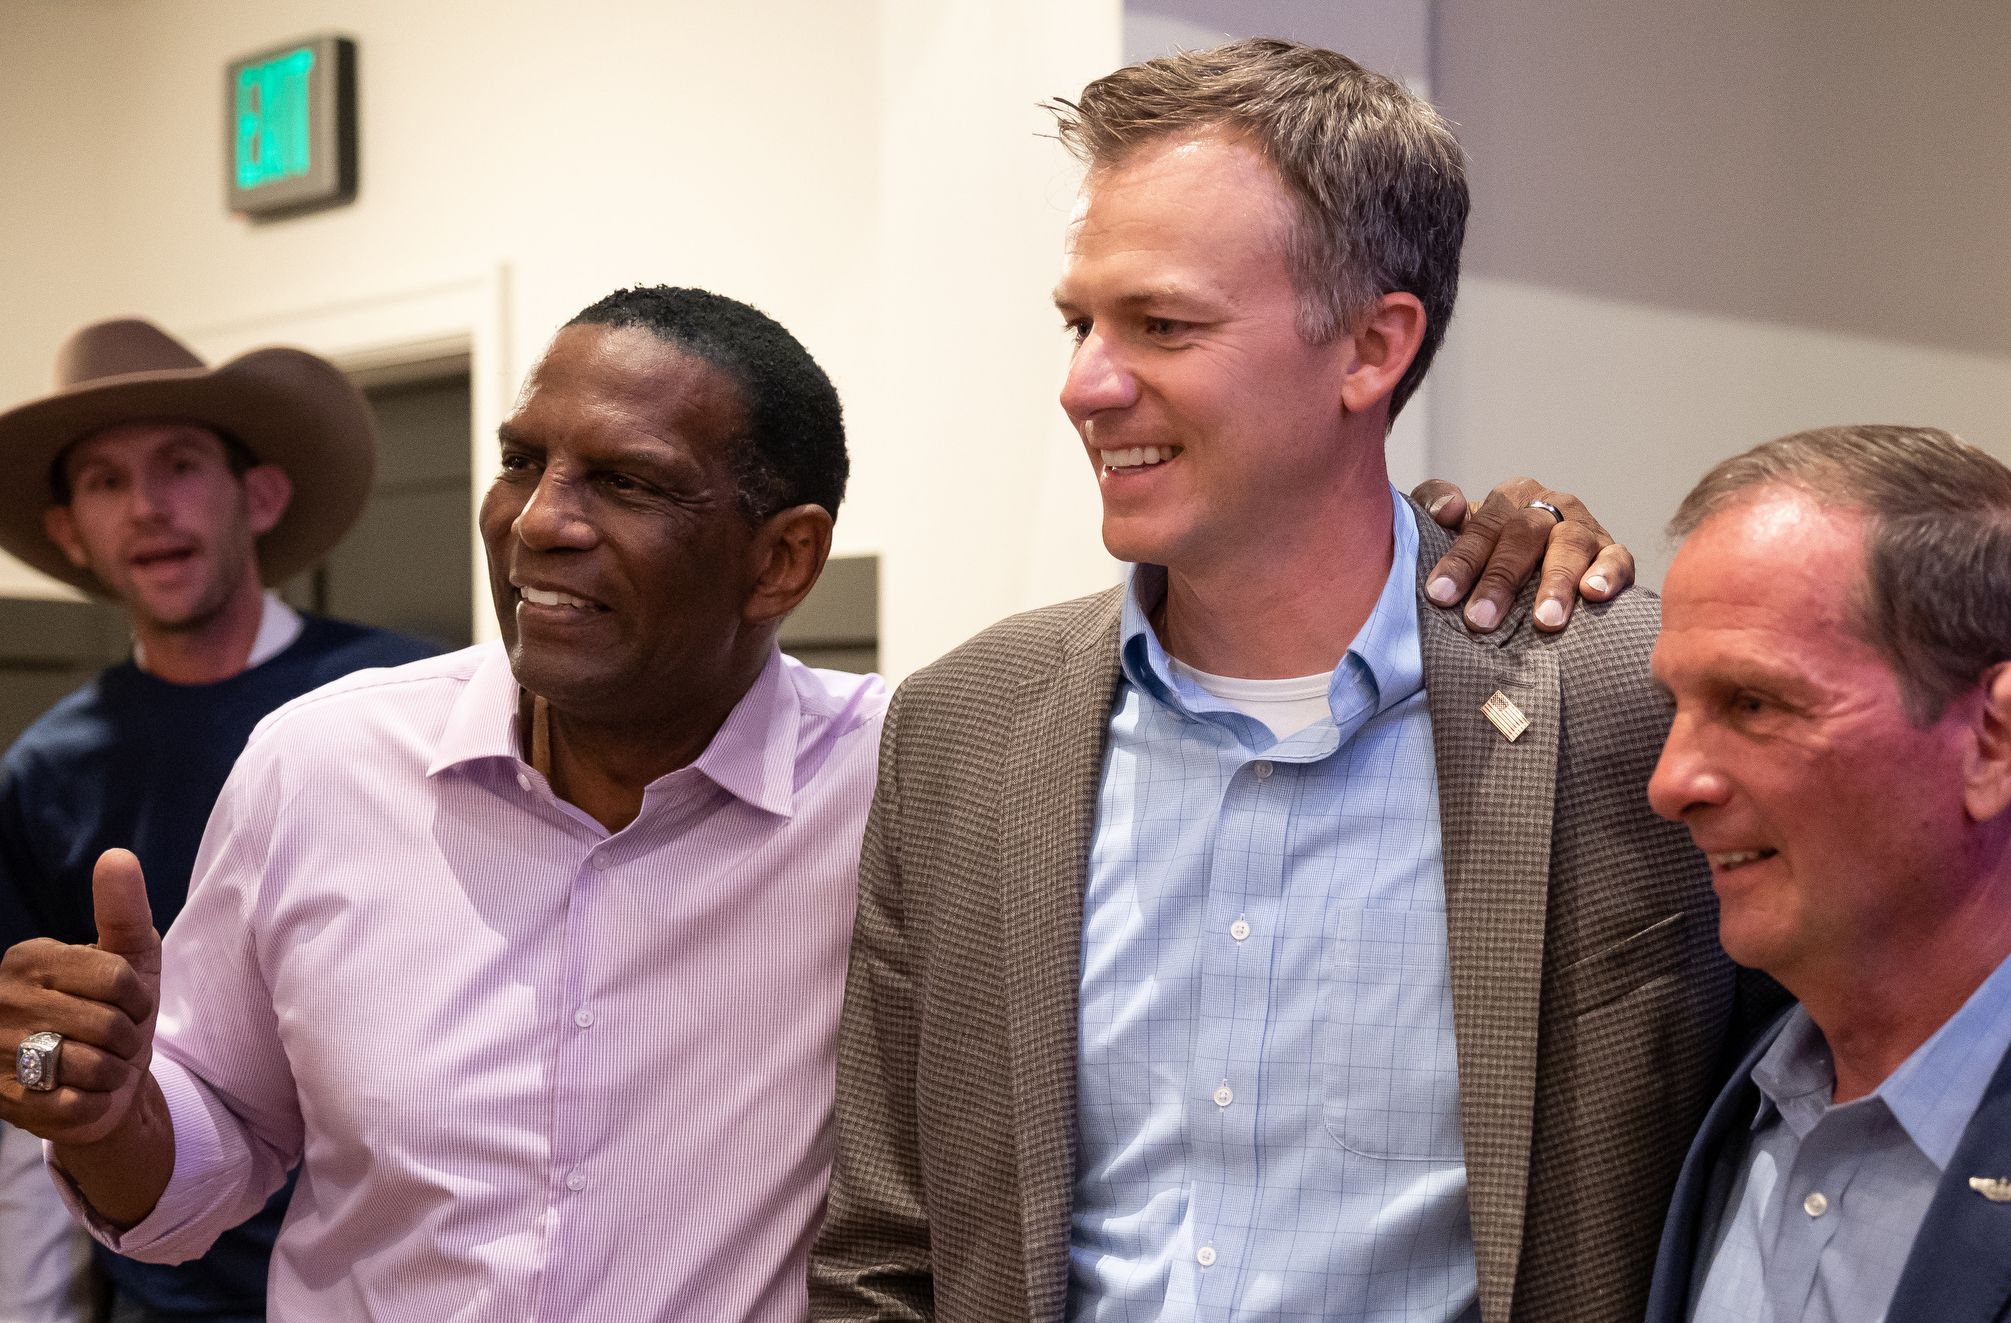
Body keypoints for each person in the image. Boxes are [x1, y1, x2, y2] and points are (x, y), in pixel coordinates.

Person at [0, 291, 1624, 1323]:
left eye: (625, 482)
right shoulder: (321, 764)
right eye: (522, 462)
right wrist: (109, 1109)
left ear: (783, 556)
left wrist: (1478, 540)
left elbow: (1247, 645)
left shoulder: (921, 783)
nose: (539, 524)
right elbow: (204, 1167)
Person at [810, 39, 1755, 1323]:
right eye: (1080, 321)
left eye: (1163, 324)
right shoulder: (963, 729)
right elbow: (888, 1250)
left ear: (1370, 347)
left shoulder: (1627, 707)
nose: (1085, 382)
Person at [0, 318, 433, 1322]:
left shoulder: (405, 699)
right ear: (70, 530)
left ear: (261, 496)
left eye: (181, 465)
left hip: (384, 1278)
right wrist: (40, 1077)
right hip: (164, 1289)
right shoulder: (45, 772)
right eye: (104, 482)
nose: (147, 507)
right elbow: (29, 1053)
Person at [1643, 425, 2011, 1323]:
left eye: (1754, 702)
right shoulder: (1720, 1089)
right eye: (1675, 706)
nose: (1669, 784)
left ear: (1992, 743)